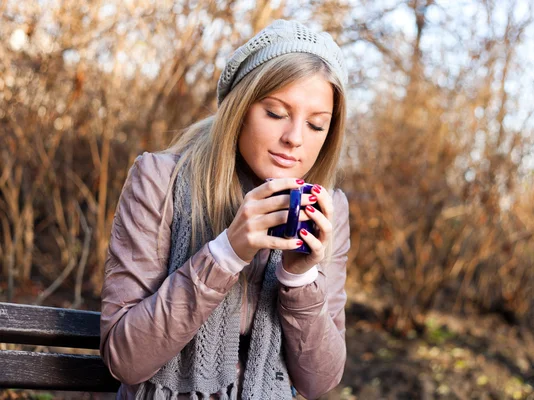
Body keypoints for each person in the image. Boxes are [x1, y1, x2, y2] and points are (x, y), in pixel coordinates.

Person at [100, 19, 350, 400]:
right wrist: (225, 254)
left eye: (317, 125)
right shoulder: (159, 181)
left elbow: (319, 381)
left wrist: (300, 279)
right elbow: (125, 359)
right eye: (276, 113)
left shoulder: (328, 208)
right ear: (240, 108)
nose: (294, 138)